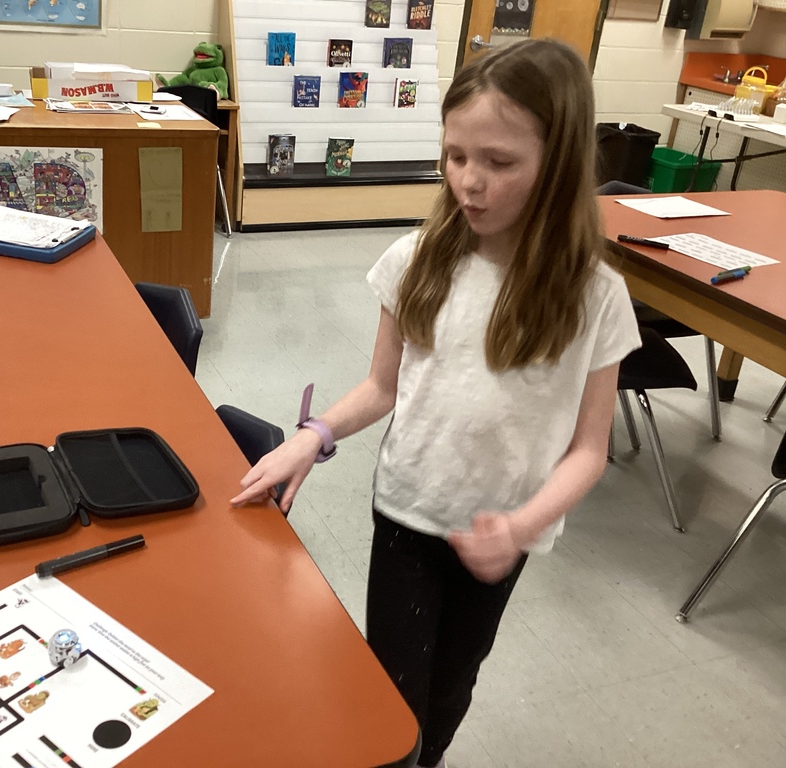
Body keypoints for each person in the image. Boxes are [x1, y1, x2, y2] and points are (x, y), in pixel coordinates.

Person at [231, 38, 641, 768]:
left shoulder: (595, 297)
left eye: (499, 162)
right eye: (455, 156)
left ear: (561, 161)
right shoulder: (417, 259)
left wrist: (521, 525)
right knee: (389, 697)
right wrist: (313, 434)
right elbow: (382, 387)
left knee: (452, 688)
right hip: (408, 512)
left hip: (502, 539)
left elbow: (589, 449)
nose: (469, 182)